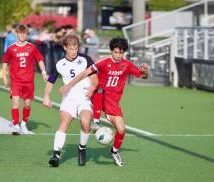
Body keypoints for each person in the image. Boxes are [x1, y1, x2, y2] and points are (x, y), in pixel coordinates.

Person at [59, 38, 149, 167]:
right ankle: (95, 122)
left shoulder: (127, 64)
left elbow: (143, 76)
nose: (118, 55)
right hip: (97, 96)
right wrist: (69, 85)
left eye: (121, 53)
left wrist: (146, 70)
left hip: (112, 102)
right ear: (111, 51)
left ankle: (114, 151)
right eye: (116, 52)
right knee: (100, 89)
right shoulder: (103, 62)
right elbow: (85, 73)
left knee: (121, 129)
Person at [43, 34, 98, 167]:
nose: (74, 51)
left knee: (85, 123)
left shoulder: (85, 59)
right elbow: (51, 82)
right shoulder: (60, 64)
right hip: (68, 99)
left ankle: (82, 148)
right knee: (64, 122)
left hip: (84, 98)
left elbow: (95, 78)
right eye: (71, 48)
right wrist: (46, 96)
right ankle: (56, 155)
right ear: (65, 47)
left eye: (76, 48)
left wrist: (93, 88)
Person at [2, 24, 48, 135]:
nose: (22, 35)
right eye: (20, 33)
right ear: (16, 34)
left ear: (27, 34)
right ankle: (16, 126)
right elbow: (4, 62)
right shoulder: (11, 48)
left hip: (28, 81)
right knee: (15, 102)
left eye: (24, 33)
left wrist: (44, 72)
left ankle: (23, 123)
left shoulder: (32, 47)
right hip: (16, 81)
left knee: (27, 104)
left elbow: (40, 60)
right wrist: (4, 76)